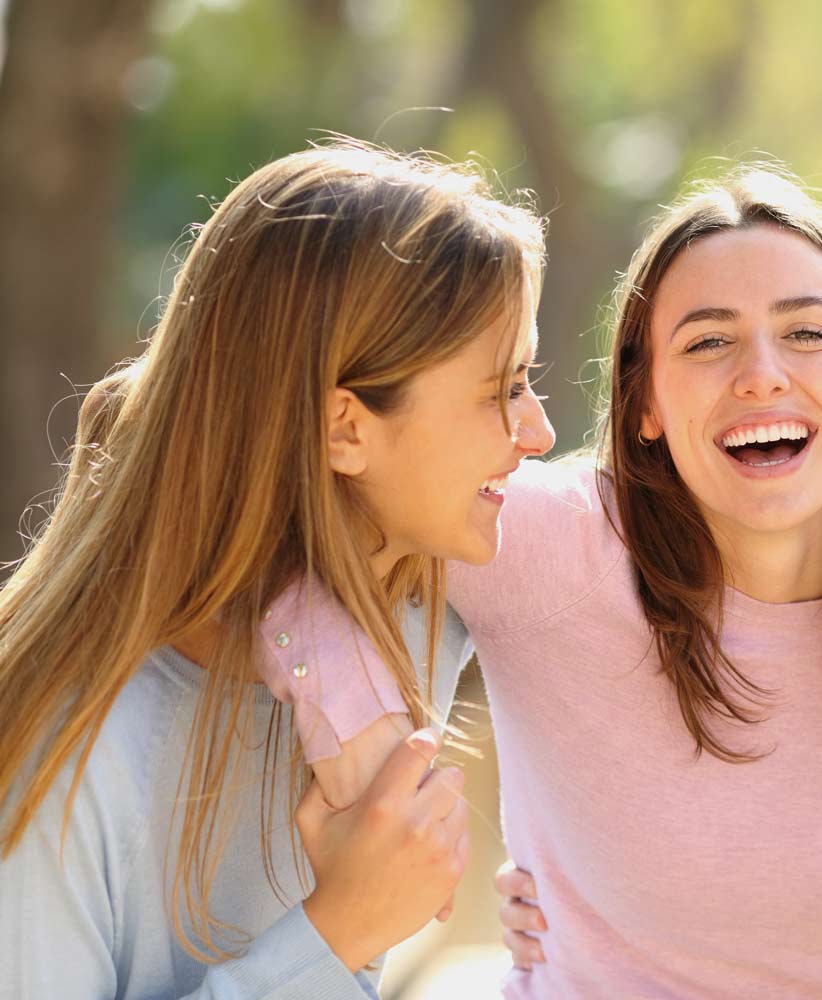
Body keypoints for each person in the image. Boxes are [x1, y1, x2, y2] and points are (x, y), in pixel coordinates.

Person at [257, 166, 822, 998]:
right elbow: (300, 536)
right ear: (645, 406)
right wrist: (367, 752)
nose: (763, 374)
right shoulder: (545, 546)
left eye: (807, 333)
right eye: (707, 341)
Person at [0, 142, 551, 997]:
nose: (539, 434)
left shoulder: (423, 605)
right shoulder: (59, 756)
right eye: (502, 391)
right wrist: (337, 932)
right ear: (344, 429)